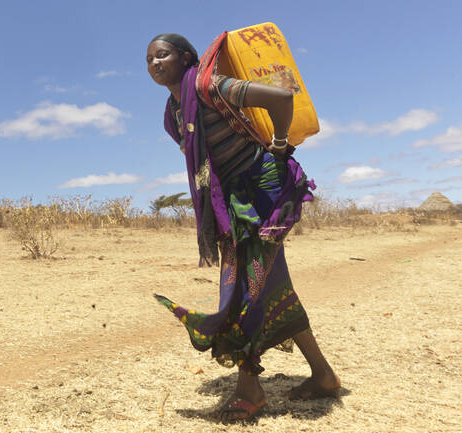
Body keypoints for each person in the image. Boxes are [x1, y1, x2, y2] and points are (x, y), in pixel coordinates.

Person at [146, 33, 341, 423]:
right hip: (234, 202)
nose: (154, 64)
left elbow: (280, 98)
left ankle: (249, 390)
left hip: (264, 192)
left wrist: (281, 144)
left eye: (162, 55)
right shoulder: (173, 114)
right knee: (269, 283)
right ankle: (323, 376)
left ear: (186, 58)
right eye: (148, 60)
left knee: (246, 286)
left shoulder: (207, 85)